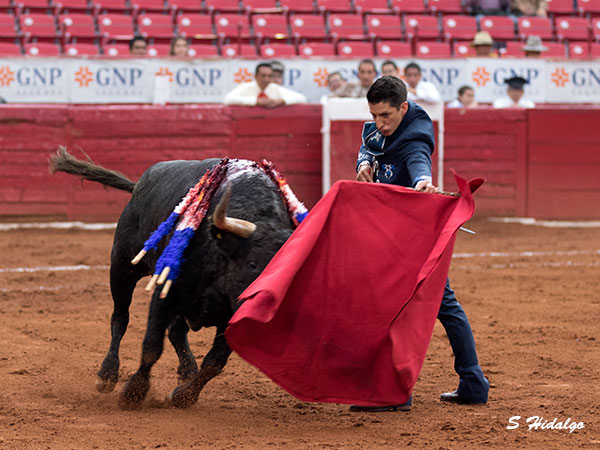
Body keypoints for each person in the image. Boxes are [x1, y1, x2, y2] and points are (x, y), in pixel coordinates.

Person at [350, 76, 490, 412]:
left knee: (390, 306)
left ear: (403, 107)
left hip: (410, 238)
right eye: (374, 115)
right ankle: (472, 383)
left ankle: (396, 391)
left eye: (386, 116)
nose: (379, 123)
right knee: (445, 305)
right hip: (394, 234)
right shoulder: (376, 127)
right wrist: (364, 163)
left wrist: (422, 182)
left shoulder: (414, 137)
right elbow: (368, 143)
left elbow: (418, 163)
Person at [224, 62, 306, 107]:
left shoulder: (275, 88)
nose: (266, 79)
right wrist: (255, 101)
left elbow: (302, 98)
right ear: (256, 76)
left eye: (269, 76)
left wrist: (281, 101)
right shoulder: (245, 87)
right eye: (263, 76)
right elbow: (228, 99)